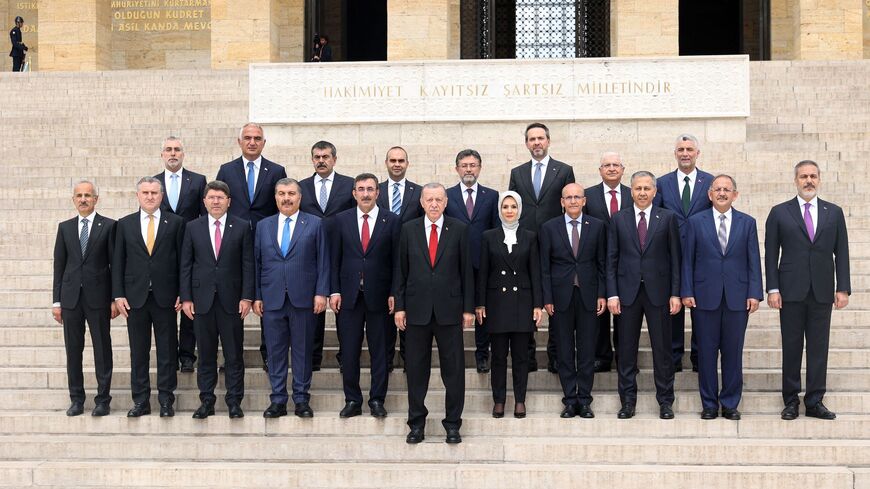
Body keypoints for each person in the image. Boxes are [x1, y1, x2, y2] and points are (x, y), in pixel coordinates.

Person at [765, 160, 850, 421]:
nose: (808, 180)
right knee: (791, 347)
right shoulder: (779, 212)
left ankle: (814, 401)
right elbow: (770, 254)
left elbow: (842, 252)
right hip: (790, 291)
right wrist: (772, 288)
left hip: (822, 291)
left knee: (818, 348)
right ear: (795, 180)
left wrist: (843, 288)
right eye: (803, 176)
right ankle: (790, 401)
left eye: (813, 176)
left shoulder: (833, 212)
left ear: (819, 179)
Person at [394, 183, 474, 444]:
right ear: (421, 202)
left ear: (446, 202)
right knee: (416, 371)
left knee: (453, 371)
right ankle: (416, 423)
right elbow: (401, 271)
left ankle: (453, 424)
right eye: (429, 199)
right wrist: (401, 307)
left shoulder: (460, 229)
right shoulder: (408, 230)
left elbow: (466, 272)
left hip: (449, 311)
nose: (434, 204)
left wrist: (468, 308)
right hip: (416, 312)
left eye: (438, 199)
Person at [681, 174, 762, 420]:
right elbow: (688, 260)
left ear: (735, 194)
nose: (722, 193)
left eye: (727, 189)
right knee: (706, 353)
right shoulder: (695, 222)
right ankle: (708, 404)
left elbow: (753, 260)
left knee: (732, 352)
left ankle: (729, 403)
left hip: (737, 298)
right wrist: (686, 291)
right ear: (710, 194)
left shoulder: (747, 222)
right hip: (704, 297)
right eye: (718, 189)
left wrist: (755, 293)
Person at [607, 171, 681, 420]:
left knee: (662, 350)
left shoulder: (667, 218)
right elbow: (611, 259)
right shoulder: (618, 219)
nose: (642, 192)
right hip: (627, 294)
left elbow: (675, 259)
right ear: (631, 191)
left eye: (647, 188)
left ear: (655, 192)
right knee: (626, 351)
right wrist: (612, 294)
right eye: (637, 188)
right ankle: (628, 401)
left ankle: (665, 401)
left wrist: (675, 293)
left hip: (659, 293)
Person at [254, 178, 329, 418]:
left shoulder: (315, 224)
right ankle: (277, 399)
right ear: (275, 197)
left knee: (302, 350)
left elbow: (323, 261)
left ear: (300, 197)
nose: (286, 198)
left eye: (291, 194)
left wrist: (321, 293)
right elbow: (256, 263)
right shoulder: (263, 226)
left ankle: (301, 399)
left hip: (304, 298)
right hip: (272, 297)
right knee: (275, 352)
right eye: (281, 194)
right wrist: (256, 295)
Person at [215, 123, 287, 371]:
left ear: (264, 143)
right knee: (233, 300)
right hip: (234, 244)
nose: (252, 142)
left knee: (268, 300)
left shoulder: (276, 170)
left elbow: (281, 206)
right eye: (248, 138)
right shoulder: (226, 170)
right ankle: (232, 356)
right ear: (240, 141)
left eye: (257, 138)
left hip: (268, 243)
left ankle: (270, 353)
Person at [180, 181, 254, 419]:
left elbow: (248, 264)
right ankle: (207, 401)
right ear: (204, 201)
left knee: (234, 355)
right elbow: (186, 265)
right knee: (206, 354)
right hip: (201, 301)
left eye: (220, 197)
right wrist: (187, 297)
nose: (216, 201)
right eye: (211, 197)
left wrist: (247, 296)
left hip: (232, 301)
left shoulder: (242, 227)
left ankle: (234, 401)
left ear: (228, 201)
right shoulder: (193, 227)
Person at [328, 173, 400, 418]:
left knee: (380, 351)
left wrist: (394, 292)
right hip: (348, 296)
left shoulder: (392, 220)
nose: (366, 193)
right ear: (354, 193)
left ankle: (377, 399)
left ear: (378, 192)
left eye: (370, 189)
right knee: (349, 351)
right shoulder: (341, 220)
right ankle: (352, 400)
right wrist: (334, 290)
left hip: (380, 297)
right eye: (361, 189)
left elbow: (397, 261)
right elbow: (333, 258)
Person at [113, 177, 186, 418]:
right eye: (145, 192)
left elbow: (182, 262)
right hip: (135, 299)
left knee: (167, 351)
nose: (150, 196)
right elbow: (118, 262)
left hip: (166, 297)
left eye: (155, 192)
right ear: (138, 196)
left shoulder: (176, 223)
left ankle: (166, 400)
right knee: (139, 351)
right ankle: (141, 401)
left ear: (162, 196)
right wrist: (118, 295)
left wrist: (183, 292)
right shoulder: (124, 224)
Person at [509, 122, 575, 373]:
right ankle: (528, 356)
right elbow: (513, 208)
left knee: (556, 300)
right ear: (526, 143)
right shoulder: (518, 173)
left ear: (548, 141)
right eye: (531, 139)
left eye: (540, 138)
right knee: (526, 300)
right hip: (525, 244)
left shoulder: (564, 170)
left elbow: (569, 205)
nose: (536, 142)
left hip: (556, 244)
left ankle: (556, 356)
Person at [540, 184, 606, 418]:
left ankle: (585, 399)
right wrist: (547, 297)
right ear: (562, 202)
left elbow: (602, 263)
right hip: (560, 298)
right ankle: (570, 399)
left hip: (589, 296)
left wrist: (602, 294)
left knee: (587, 350)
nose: (573, 201)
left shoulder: (597, 226)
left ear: (585, 200)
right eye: (568, 197)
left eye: (577, 197)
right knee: (565, 350)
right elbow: (544, 267)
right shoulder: (549, 228)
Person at [52, 180, 118, 417]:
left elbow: (115, 265)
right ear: (73, 199)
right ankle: (77, 399)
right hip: (70, 300)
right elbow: (59, 265)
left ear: (96, 199)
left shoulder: (109, 226)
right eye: (79, 195)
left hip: (99, 298)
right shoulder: (65, 227)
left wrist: (114, 298)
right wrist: (56, 301)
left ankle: (103, 399)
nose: (83, 199)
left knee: (102, 349)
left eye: (88, 195)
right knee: (73, 351)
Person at [476, 191, 542, 418]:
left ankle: (520, 400)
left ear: (520, 209)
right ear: (499, 210)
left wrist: (537, 304)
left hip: (523, 303)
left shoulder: (530, 236)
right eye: (505, 207)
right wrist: (480, 304)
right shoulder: (488, 236)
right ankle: (499, 400)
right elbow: (483, 272)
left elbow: (535, 272)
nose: (510, 210)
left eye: (513, 206)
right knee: (498, 356)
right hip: (496, 304)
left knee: (522, 356)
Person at [653, 134, 713, 372]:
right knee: (673, 307)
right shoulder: (662, 182)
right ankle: (675, 356)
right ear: (675, 153)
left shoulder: (710, 181)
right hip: (671, 255)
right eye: (681, 149)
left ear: (697, 153)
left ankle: (699, 356)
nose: (685, 153)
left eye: (689, 149)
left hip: (702, 256)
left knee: (700, 308)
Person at [299, 140, 355, 371]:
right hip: (311, 255)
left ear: (334, 159)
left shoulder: (349, 184)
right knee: (316, 306)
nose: (321, 161)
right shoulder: (301, 186)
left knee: (343, 308)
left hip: (342, 254)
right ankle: (313, 358)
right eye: (317, 157)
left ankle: (346, 356)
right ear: (312, 159)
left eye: (325, 156)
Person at [154, 136, 207, 373]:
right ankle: (169, 353)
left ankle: (187, 355)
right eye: (168, 150)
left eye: (177, 150)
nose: (173, 153)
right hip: (162, 251)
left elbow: (202, 216)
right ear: (162, 154)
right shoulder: (153, 183)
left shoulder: (197, 181)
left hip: (190, 249)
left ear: (183, 154)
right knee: (166, 304)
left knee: (188, 301)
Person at [445, 149, 499, 373]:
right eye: (464, 165)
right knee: (455, 309)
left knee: (481, 310)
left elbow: (495, 230)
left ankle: (482, 354)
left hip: (481, 262)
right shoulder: (447, 195)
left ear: (480, 168)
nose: (469, 169)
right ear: (457, 168)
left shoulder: (492, 195)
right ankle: (454, 354)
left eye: (473, 165)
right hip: (453, 264)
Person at [583, 152, 632, 373]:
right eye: (606, 165)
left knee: (625, 314)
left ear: (623, 169)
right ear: (600, 170)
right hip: (596, 263)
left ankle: (624, 358)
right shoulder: (588, 196)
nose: (611, 168)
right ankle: (601, 356)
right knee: (600, 311)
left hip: (627, 262)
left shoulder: (634, 195)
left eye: (616, 165)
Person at [376, 146, 423, 371]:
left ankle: (407, 359)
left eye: (401, 160)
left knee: (408, 312)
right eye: (393, 160)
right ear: (386, 163)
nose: (397, 164)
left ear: (407, 164)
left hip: (412, 262)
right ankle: (386, 359)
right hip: (381, 260)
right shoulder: (376, 191)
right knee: (385, 316)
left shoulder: (419, 191)